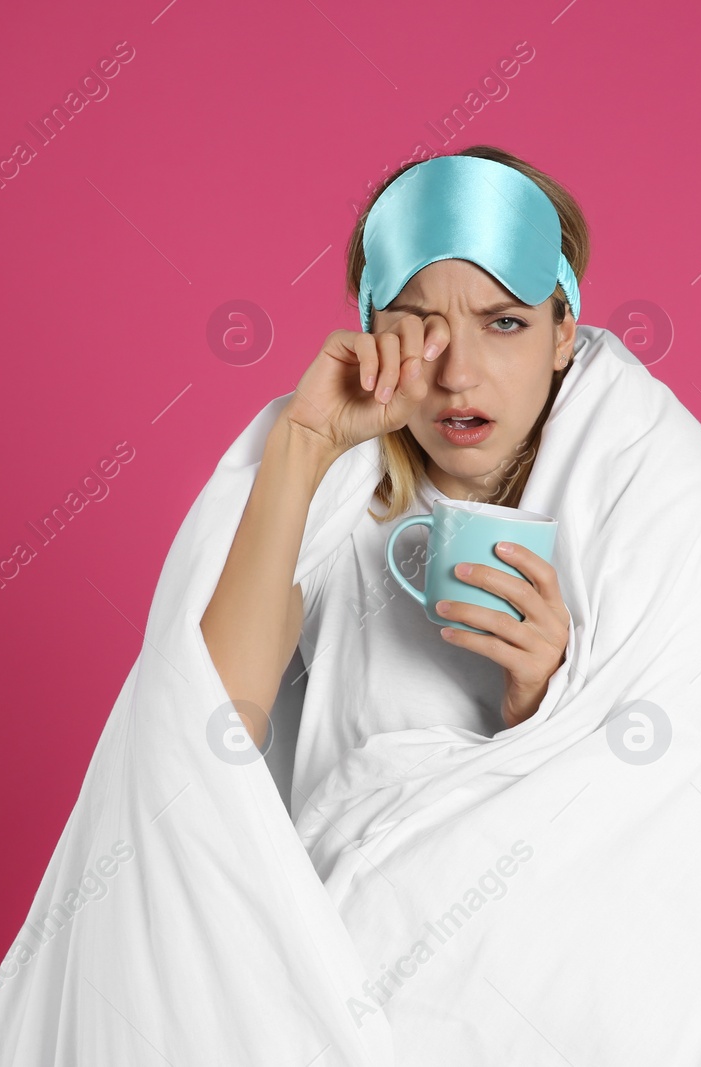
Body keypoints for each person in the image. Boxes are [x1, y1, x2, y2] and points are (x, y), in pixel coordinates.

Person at [200, 145, 584, 808]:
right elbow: (205, 732)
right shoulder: (341, 510)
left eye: (505, 323)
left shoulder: (624, 503)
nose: (458, 374)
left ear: (561, 336)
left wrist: (543, 703)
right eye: (421, 325)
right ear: (374, 332)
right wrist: (304, 441)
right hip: (344, 905)